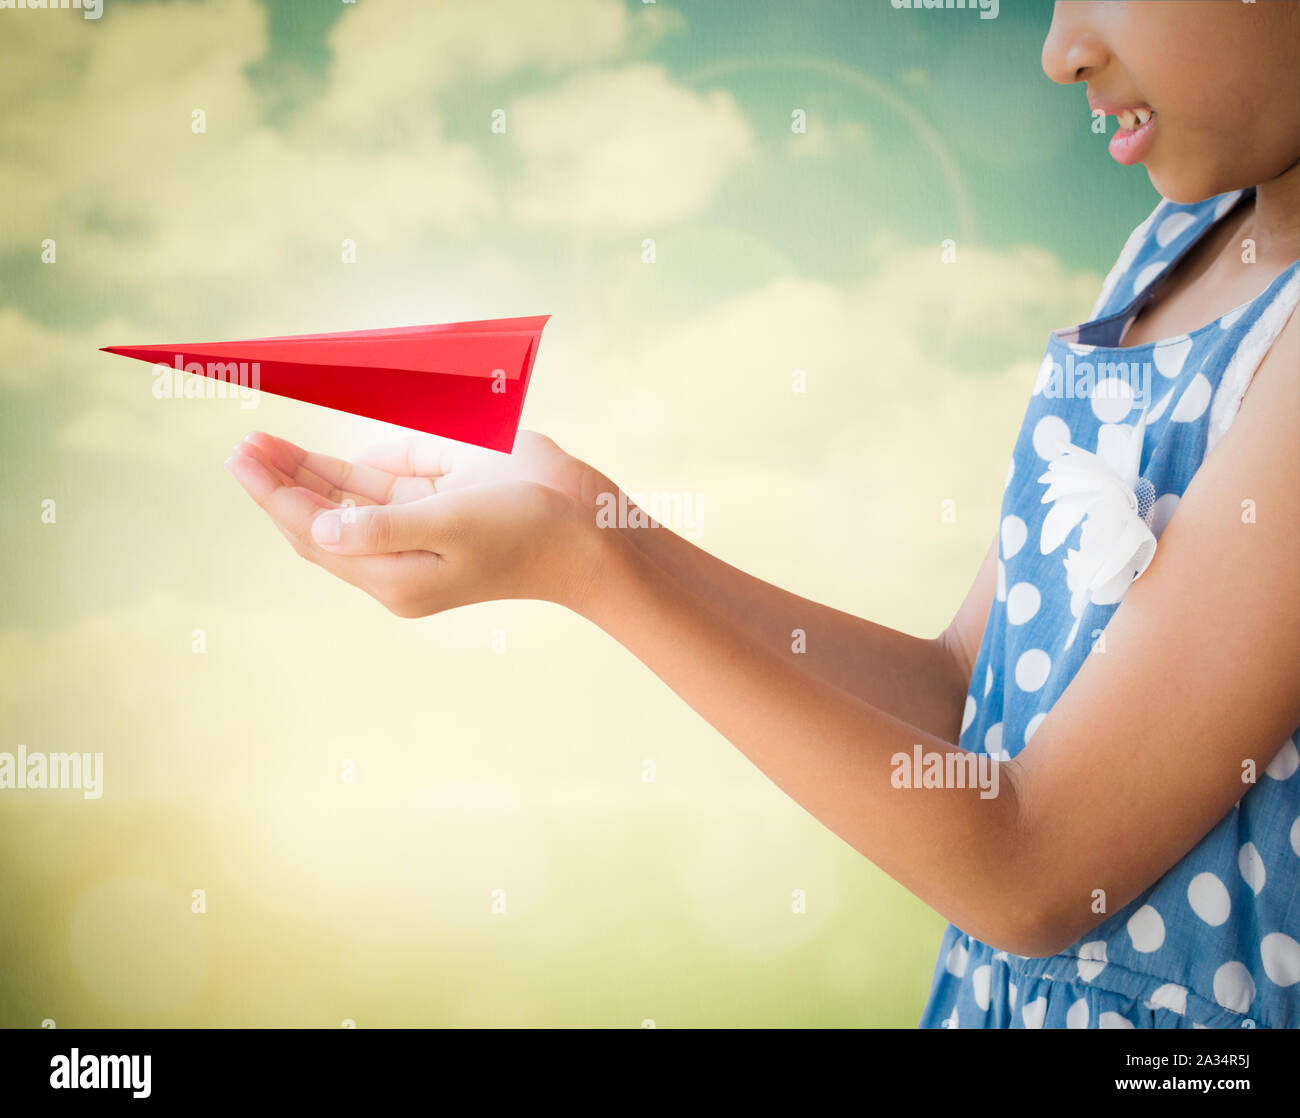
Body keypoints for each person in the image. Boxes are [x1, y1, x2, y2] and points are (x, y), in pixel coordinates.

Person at [225, 0, 1300, 1028]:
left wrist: (591, 570)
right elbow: (960, 694)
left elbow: (1033, 865)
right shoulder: (1169, 246)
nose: (1059, 48)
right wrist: (599, 518)